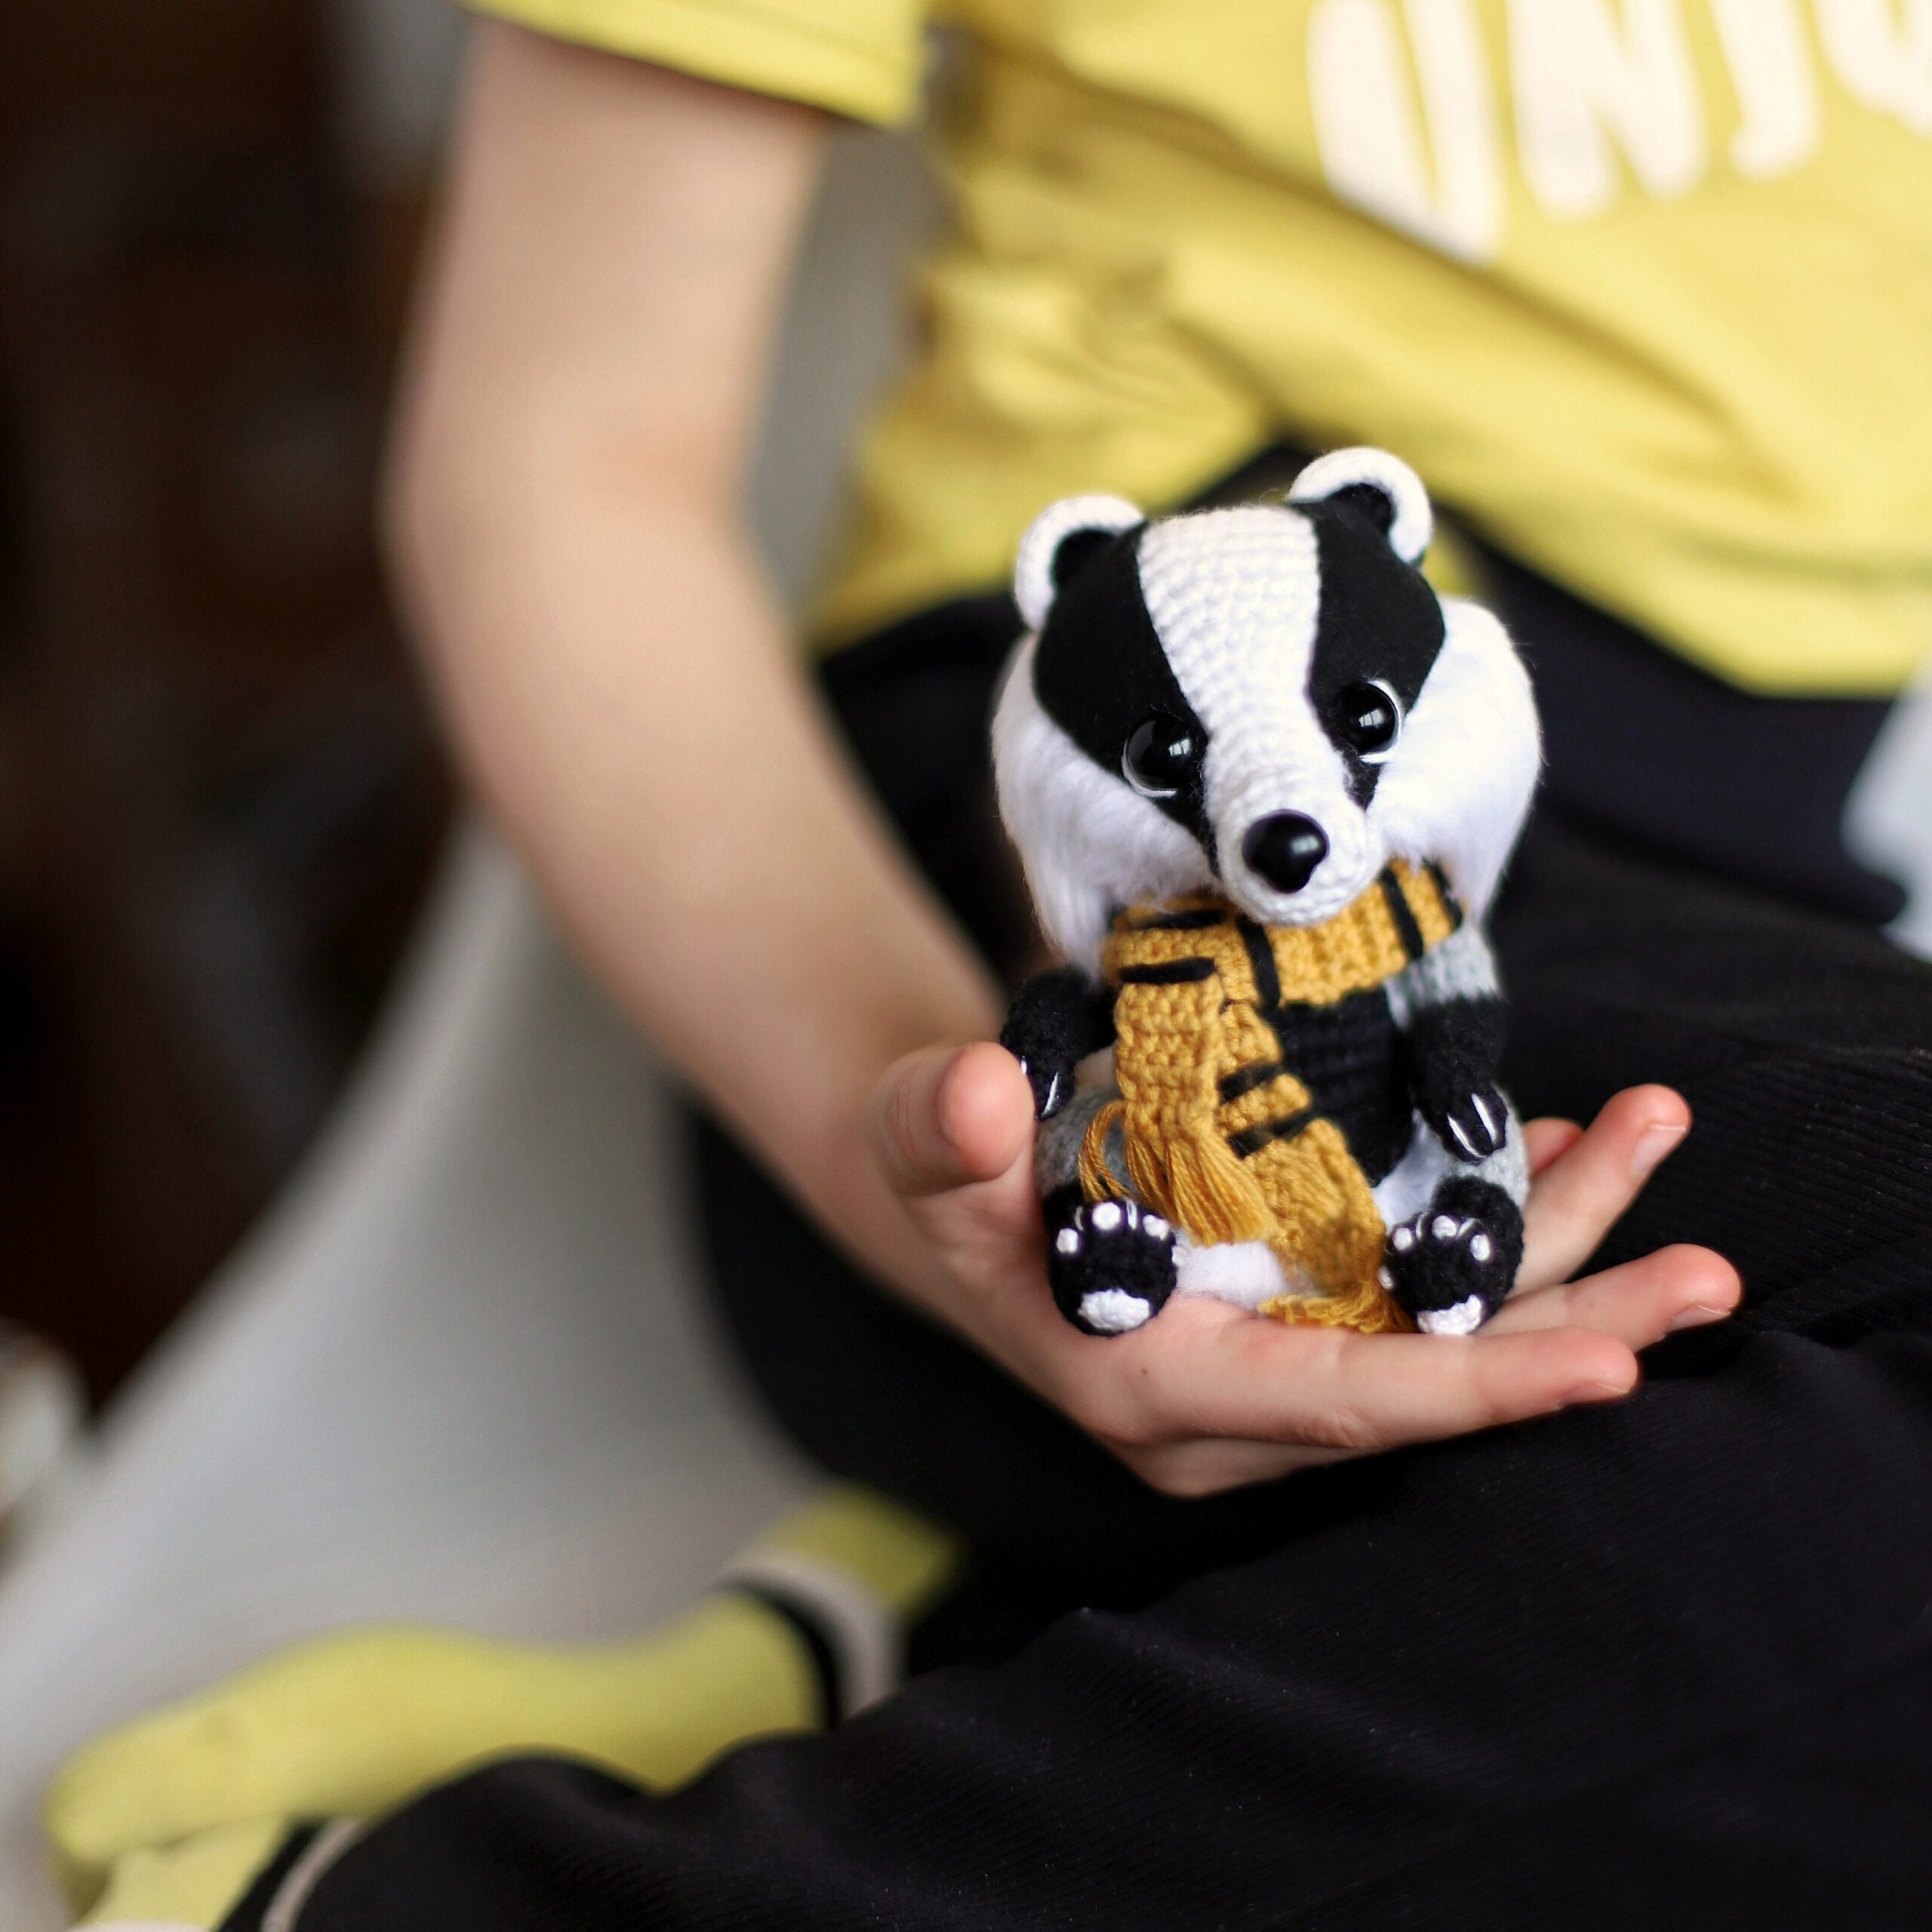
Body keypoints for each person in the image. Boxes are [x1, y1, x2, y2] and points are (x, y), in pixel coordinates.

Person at [47, 8, 1932, 1927]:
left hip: (1726, 911)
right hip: (1031, 864)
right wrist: (946, 1136)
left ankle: (899, 1657)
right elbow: (559, 466)